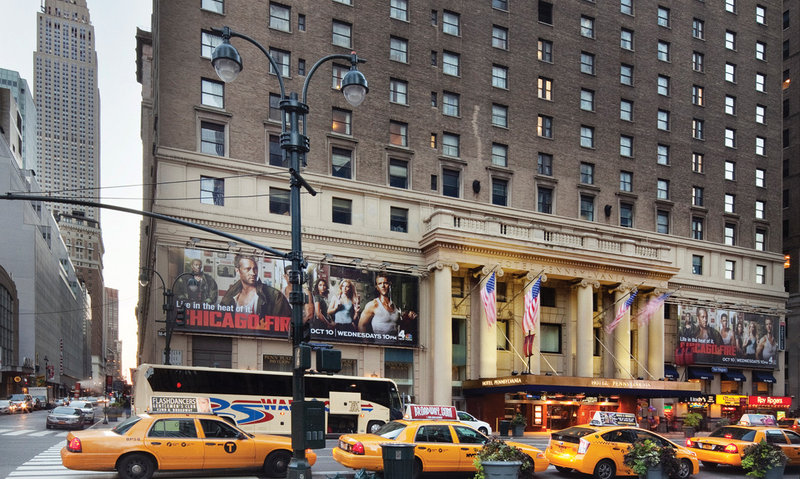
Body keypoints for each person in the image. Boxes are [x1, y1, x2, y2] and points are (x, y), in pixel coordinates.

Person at [219, 254, 291, 317]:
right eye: (248, 269)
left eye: (255, 269)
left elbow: (286, 323)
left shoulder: (274, 296)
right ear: (237, 271)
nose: (253, 273)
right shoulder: (230, 296)